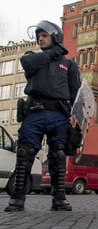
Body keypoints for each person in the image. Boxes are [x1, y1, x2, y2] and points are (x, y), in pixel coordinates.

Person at [5, 20, 81, 212]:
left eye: (44, 35)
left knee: (58, 156)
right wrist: (54, 52)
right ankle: (17, 199)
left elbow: (76, 93)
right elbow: (28, 63)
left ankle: (59, 198)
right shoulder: (33, 58)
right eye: (39, 36)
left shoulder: (69, 65)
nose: (40, 38)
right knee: (25, 154)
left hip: (59, 115)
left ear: (55, 37)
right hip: (34, 112)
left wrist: (77, 120)